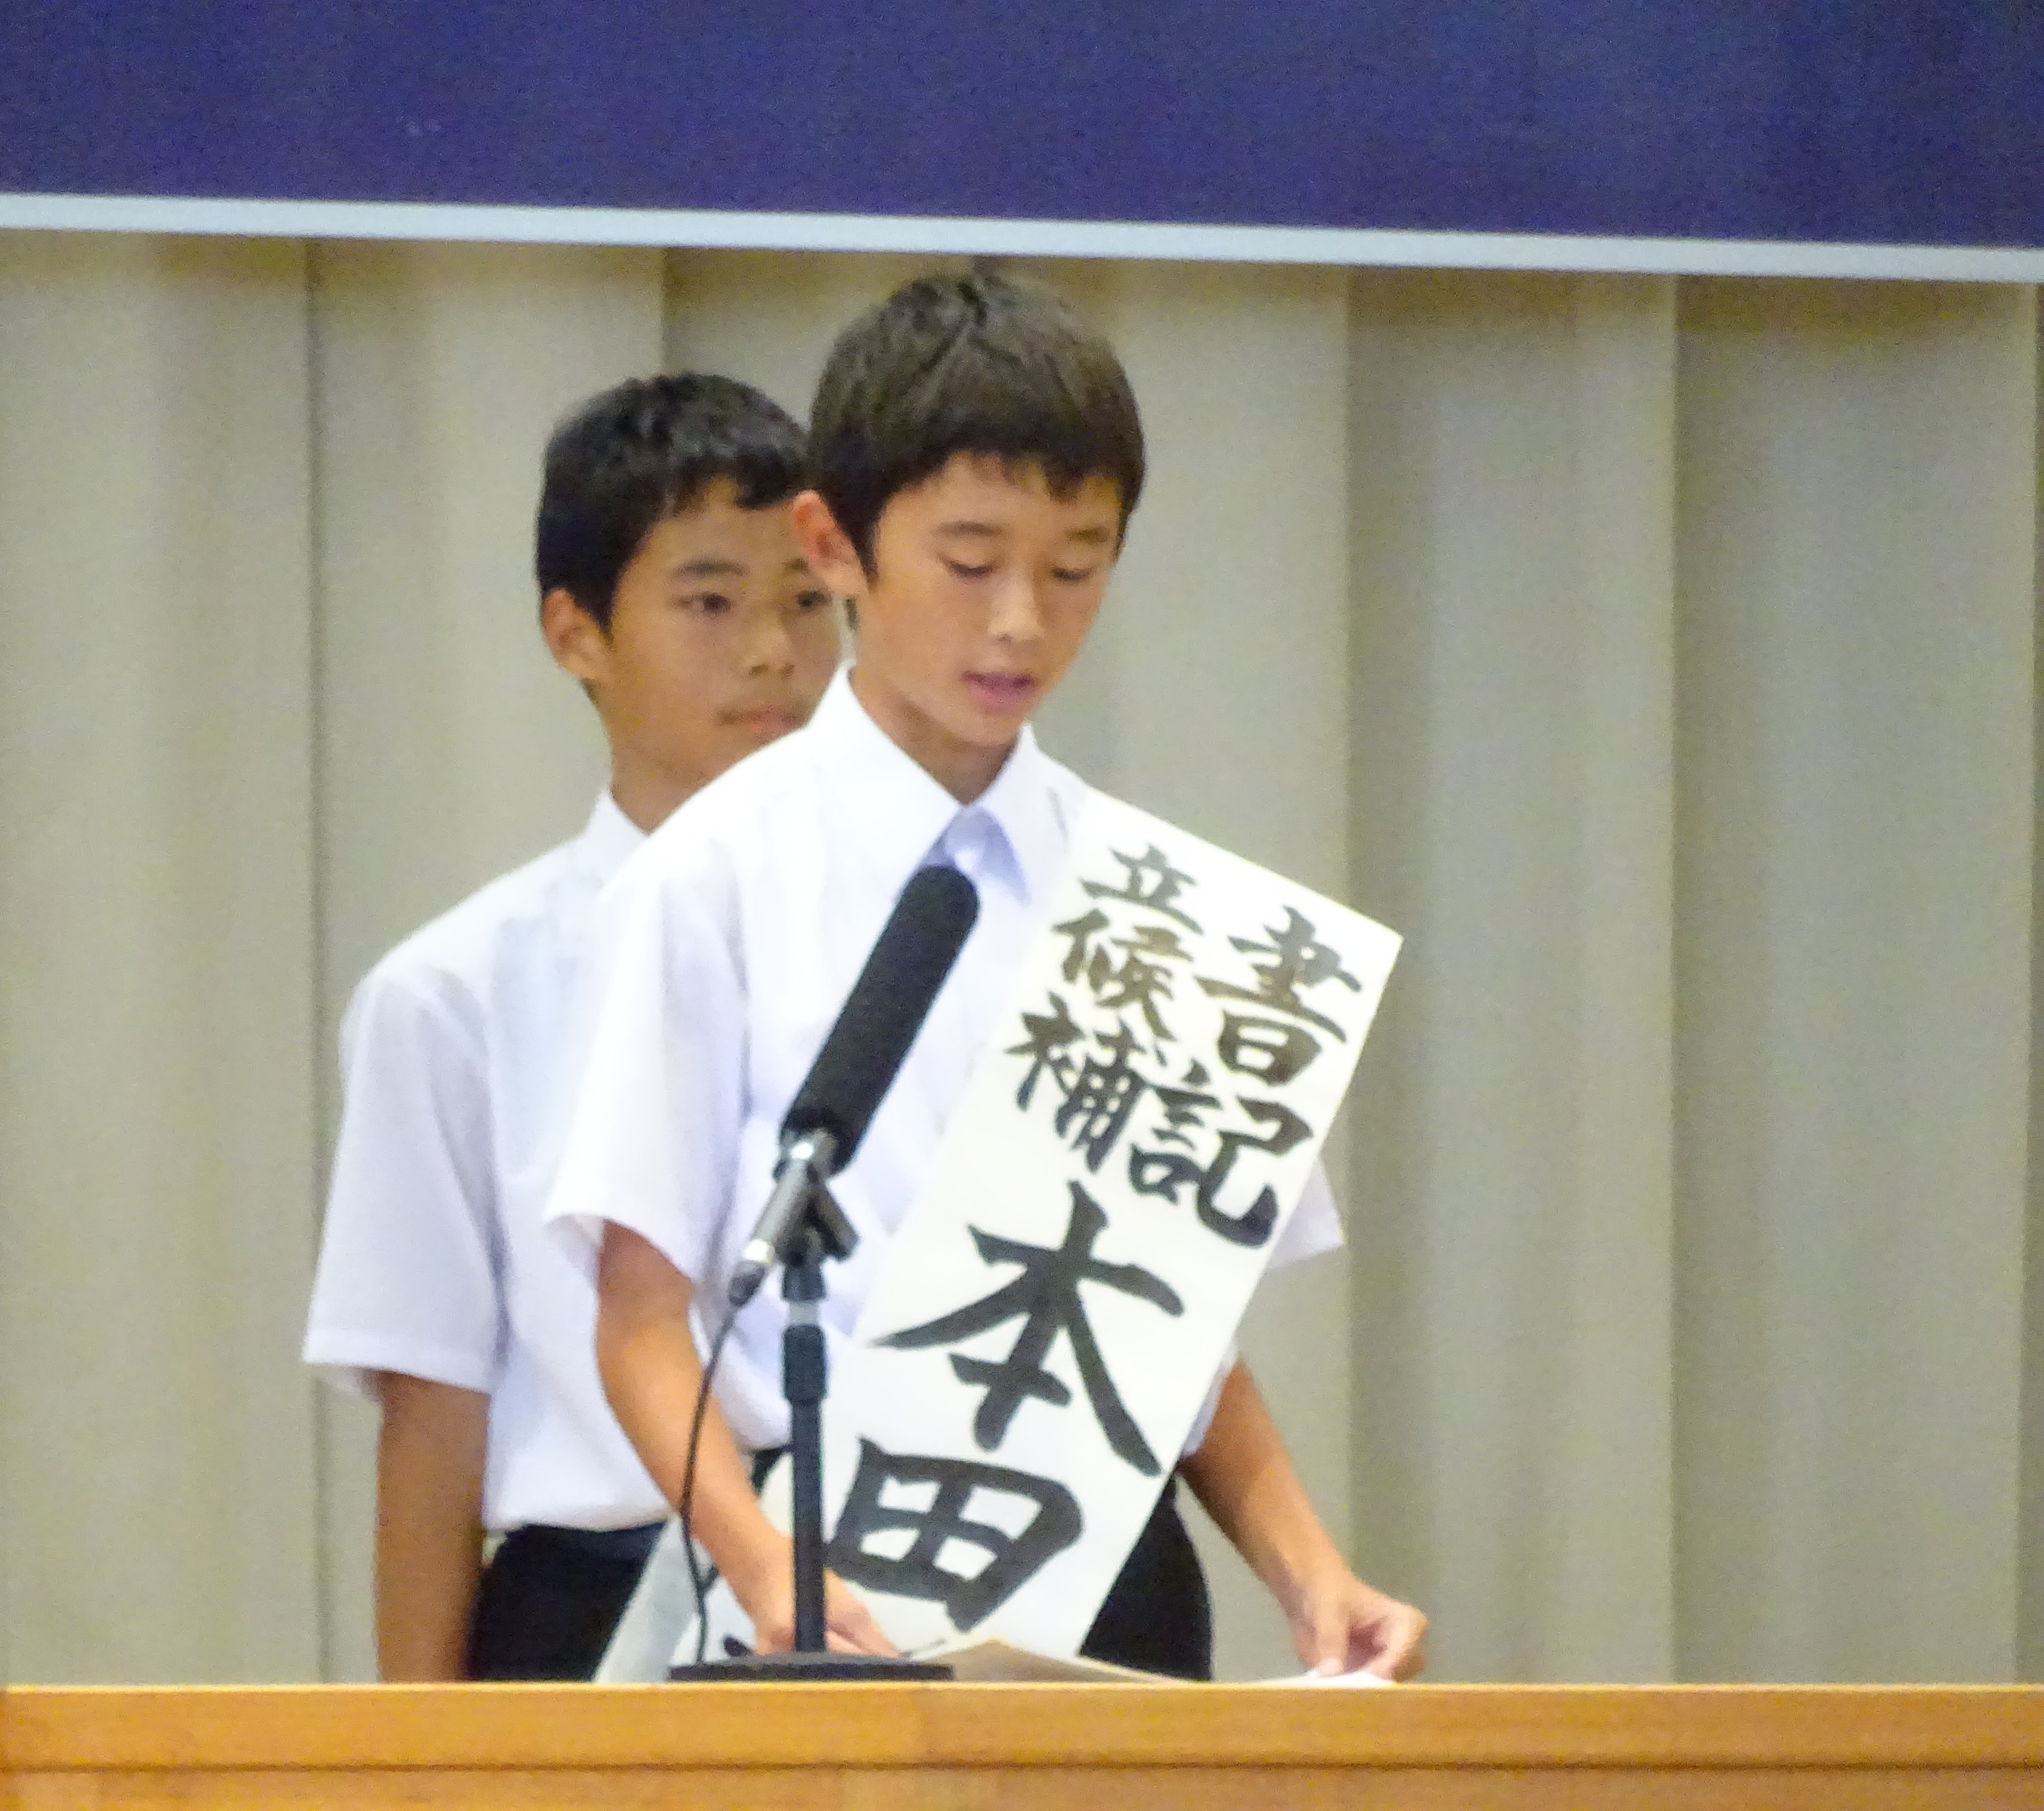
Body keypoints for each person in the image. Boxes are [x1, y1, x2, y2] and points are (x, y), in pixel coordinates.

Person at [547, 272, 1427, 1680]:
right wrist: (765, 1565)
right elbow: (641, 1322)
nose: (1022, 619)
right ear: (835, 545)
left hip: (1114, 1577)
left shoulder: (1155, 905)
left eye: (1076, 568)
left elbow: (1168, 1329)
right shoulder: (710, 878)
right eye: (970, 563)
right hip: (828, 1571)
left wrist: (1312, 1573)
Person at [303, 373, 842, 1680]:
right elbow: (435, 1412)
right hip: (600, 1607)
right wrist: (425, 1761)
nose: (772, 651)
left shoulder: (923, 931)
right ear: (577, 634)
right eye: (711, 602)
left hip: (894, 1575)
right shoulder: (455, 994)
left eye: (807, 601)